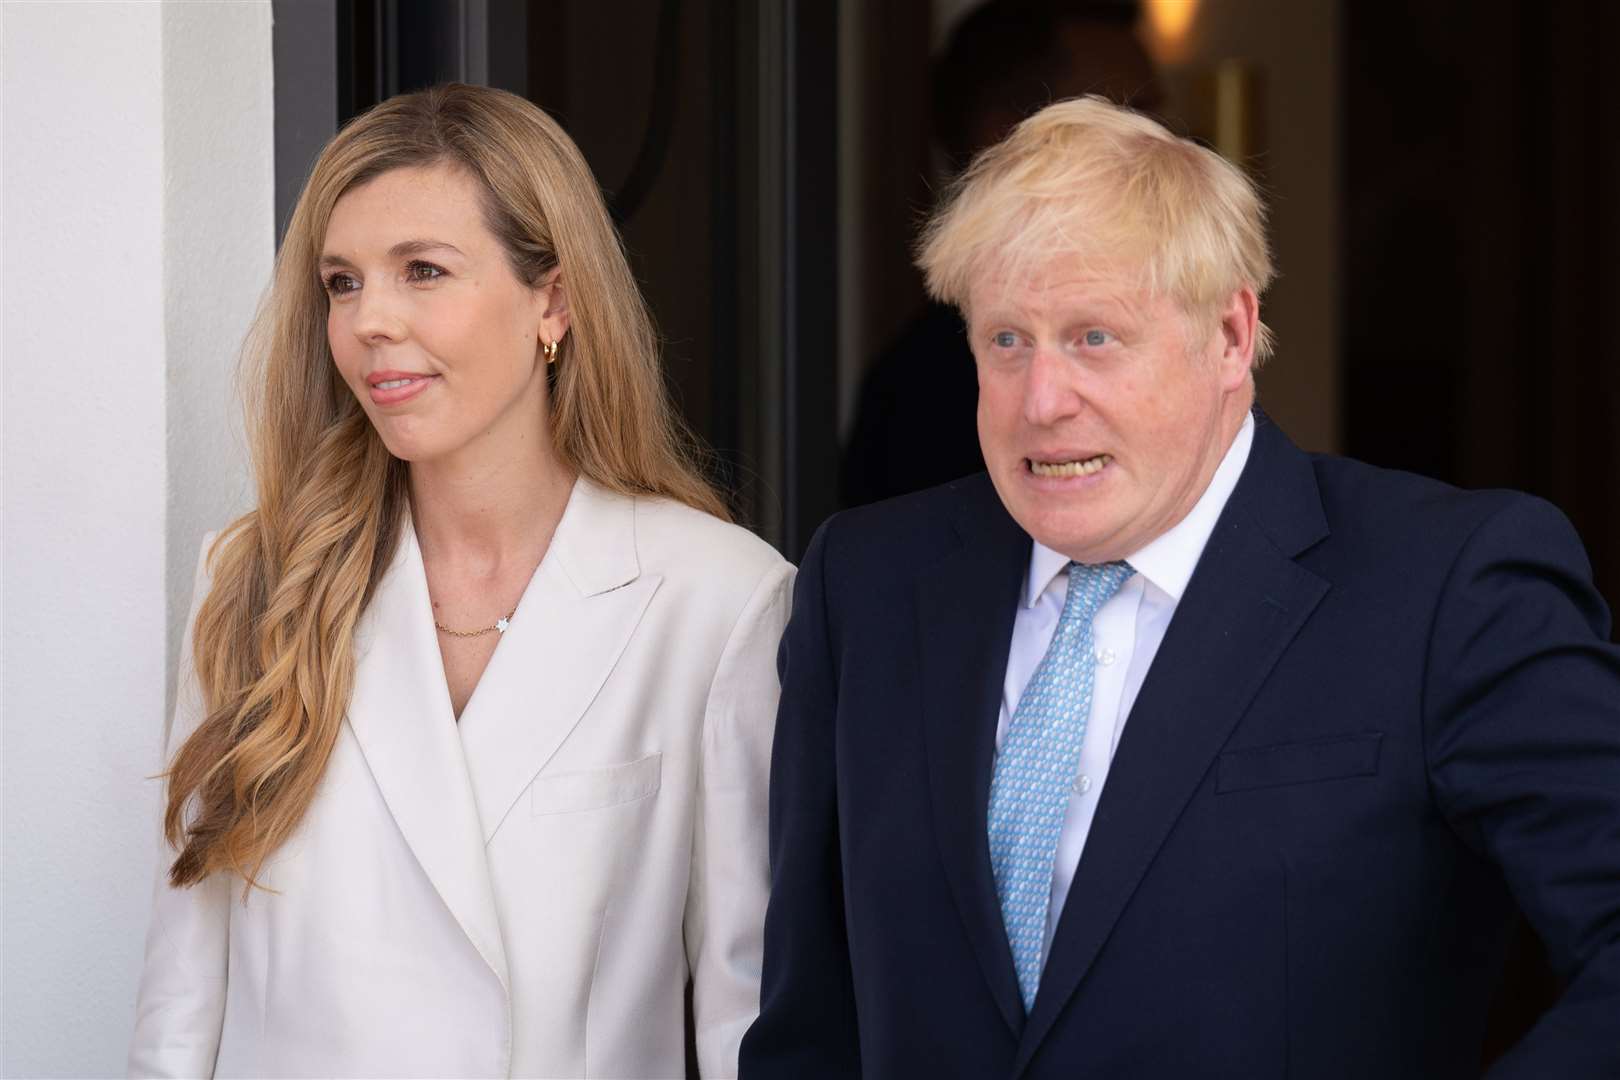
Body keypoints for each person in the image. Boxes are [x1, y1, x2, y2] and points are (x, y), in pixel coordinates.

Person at [740, 97, 1620, 1078]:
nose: (1043, 400)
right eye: (1006, 341)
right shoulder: (866, 583)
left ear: (1233, 336)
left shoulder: (1450, 588)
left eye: (1094, 339)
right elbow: (809, 1027)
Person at [129, 84, 791, 1079]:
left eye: (423, 271)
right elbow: (183, 1001)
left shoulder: (715, 599)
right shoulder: (256, 576)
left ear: (553, 302)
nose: (370, 322)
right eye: (342, 283)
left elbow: (749, 1023)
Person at [839, 0, 1163, 507]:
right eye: (1126, 116)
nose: (1161, 145)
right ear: (1007, 138)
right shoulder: (924, 392)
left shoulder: (1178, 325)